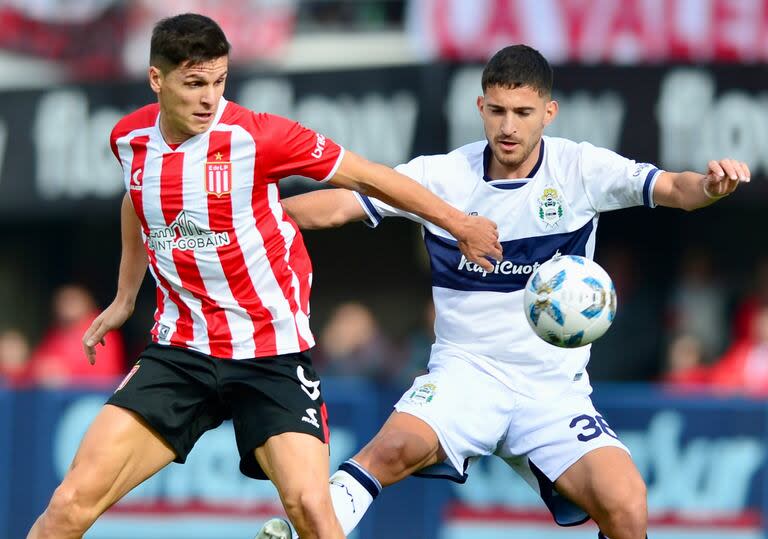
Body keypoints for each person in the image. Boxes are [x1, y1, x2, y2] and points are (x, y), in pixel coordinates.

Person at [25, 14, 501, 539]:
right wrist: (124, 296)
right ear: (157, 80)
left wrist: (458, 223)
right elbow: (137, 201)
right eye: (194, 83)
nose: (209, 98)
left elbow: (371, 176)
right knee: (68, 504)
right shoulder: (129, 139)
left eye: (219, 81)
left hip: (270, 353)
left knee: (313, 513)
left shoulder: (260, 136)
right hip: (180, 352)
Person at [256, 45, 750, 539]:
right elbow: (341, 204)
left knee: (627, 504)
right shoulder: (442, 175)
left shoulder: (581, 169)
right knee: (389, 450)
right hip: (465, 374)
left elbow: (675, 189)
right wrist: (252, 216)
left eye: (522, 112)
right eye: (497, 111)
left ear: (548, 113)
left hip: (552, 391)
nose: (508, 126)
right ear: (480, 108)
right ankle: (300, 531)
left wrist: (710, 186)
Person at [27, 284, 126, 387]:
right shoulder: (56, 332)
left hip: (95, 394)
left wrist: (66, 371)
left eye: (73, 301)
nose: (67, 307)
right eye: (63, 302)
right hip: (59, 396)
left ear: (87, 303)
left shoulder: (102, 328)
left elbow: (106, 373)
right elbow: (39, 363)